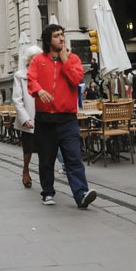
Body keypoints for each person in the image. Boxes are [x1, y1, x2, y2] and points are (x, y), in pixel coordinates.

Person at [27, 23, 98, 210]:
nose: (61, 38)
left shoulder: (73, 59)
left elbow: (76, 80)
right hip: (45, 119)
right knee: (46, 159)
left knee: (73, 158)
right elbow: (31, 80)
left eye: (62, 35)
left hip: (67, 119)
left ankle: (81, 194)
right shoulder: (38, 60)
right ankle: (48, 192)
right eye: (57, 35)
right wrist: (39, 90)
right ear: (48, 40)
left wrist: (65, 61)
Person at [12, 45, 40, 189]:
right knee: (28, 148)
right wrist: (25, 118)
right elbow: (17, 99)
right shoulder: (20, 75)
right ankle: (26, 170)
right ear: (29, 61)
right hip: (29, 117)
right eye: (34, 59)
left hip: (44, 117)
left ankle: (46, 178)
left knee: (45, 150)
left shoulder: (44, 73)